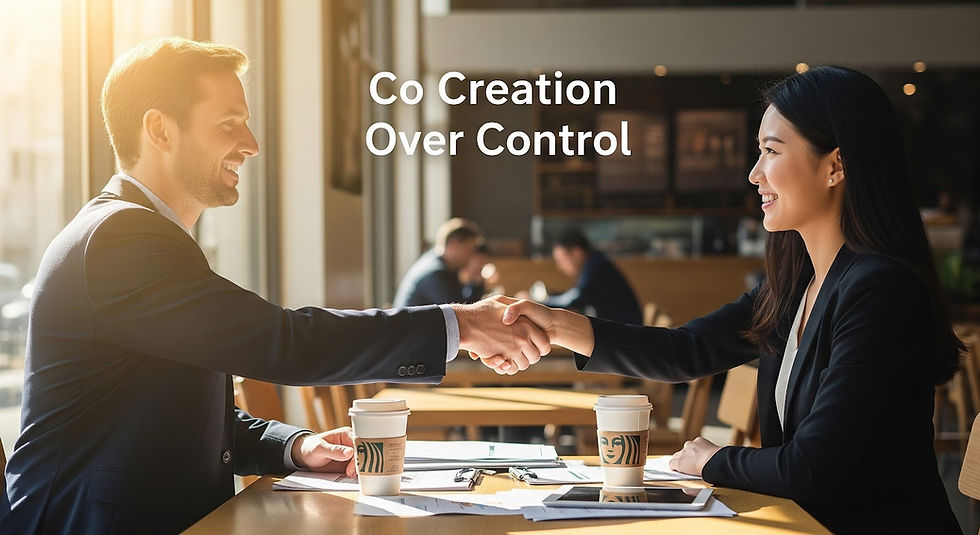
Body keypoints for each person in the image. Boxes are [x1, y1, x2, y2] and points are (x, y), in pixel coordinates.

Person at [0, 38, 549, 534]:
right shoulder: (121, 239)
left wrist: (296, 446)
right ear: (160, 130)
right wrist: (460, 324)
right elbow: (284, 342)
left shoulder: (140, 236)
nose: (252, 144)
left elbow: (175, 415)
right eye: (228, 123)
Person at [483, 67, 963, 533]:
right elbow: (685, 350)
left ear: (835, 166)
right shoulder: (794, 284)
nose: (755, 174)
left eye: (771, 152)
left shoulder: (881, 291)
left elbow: (811, 468)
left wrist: (712, 459)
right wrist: (556, 325)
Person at [534, 229, 642, 325]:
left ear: (577, 253)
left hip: (625, 334)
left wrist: (535, 303)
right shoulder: (594, 263)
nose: (560, 266)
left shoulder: (596, 268)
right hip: (620, 330)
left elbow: (573, 302)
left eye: (561, 260)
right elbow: (574, 296)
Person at [392, 218, 485, 307]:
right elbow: (460, 313)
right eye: (468, 250)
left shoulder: (435, 262)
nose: (471, 256)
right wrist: (474, 280)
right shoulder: (436, 273)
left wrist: (475, 281)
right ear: (454, 245)